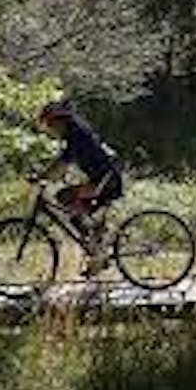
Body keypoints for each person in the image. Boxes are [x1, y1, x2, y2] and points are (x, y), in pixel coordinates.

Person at [34, 100, 124, 273]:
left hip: (108, 180)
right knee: (73, 208)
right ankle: (96, 248)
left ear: (61, 121)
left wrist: (42, 176)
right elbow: (61, 165)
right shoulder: (74, 134)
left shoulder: (77, 137)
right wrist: (46, 175)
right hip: (104, 178)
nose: (51, 129)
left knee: (66, 198)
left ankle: (95, 246)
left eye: (51, 124)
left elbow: (61, 164)